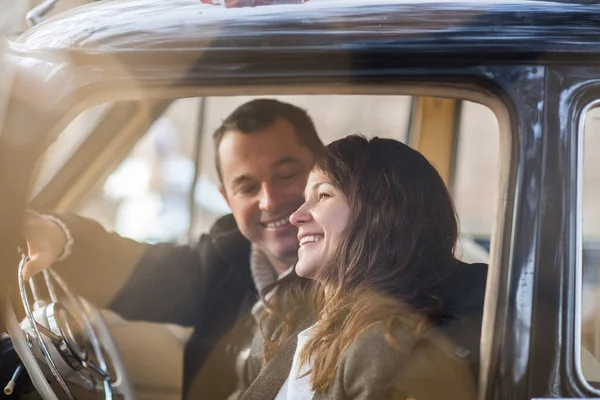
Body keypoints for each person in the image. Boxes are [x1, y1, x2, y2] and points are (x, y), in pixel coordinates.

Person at [19, 99, 486, 399]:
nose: (276, 203)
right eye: (246, 186)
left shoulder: (414, 325)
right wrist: (56, 234)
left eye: (292, 178)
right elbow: (135, 268)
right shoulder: (229, 261)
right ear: (226, 199)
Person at [234, 136, 477, 399]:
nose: (296, 216)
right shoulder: (281, 322)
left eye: (323, 195)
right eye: (306, 198)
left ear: (381, 215)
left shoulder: (388, 347)